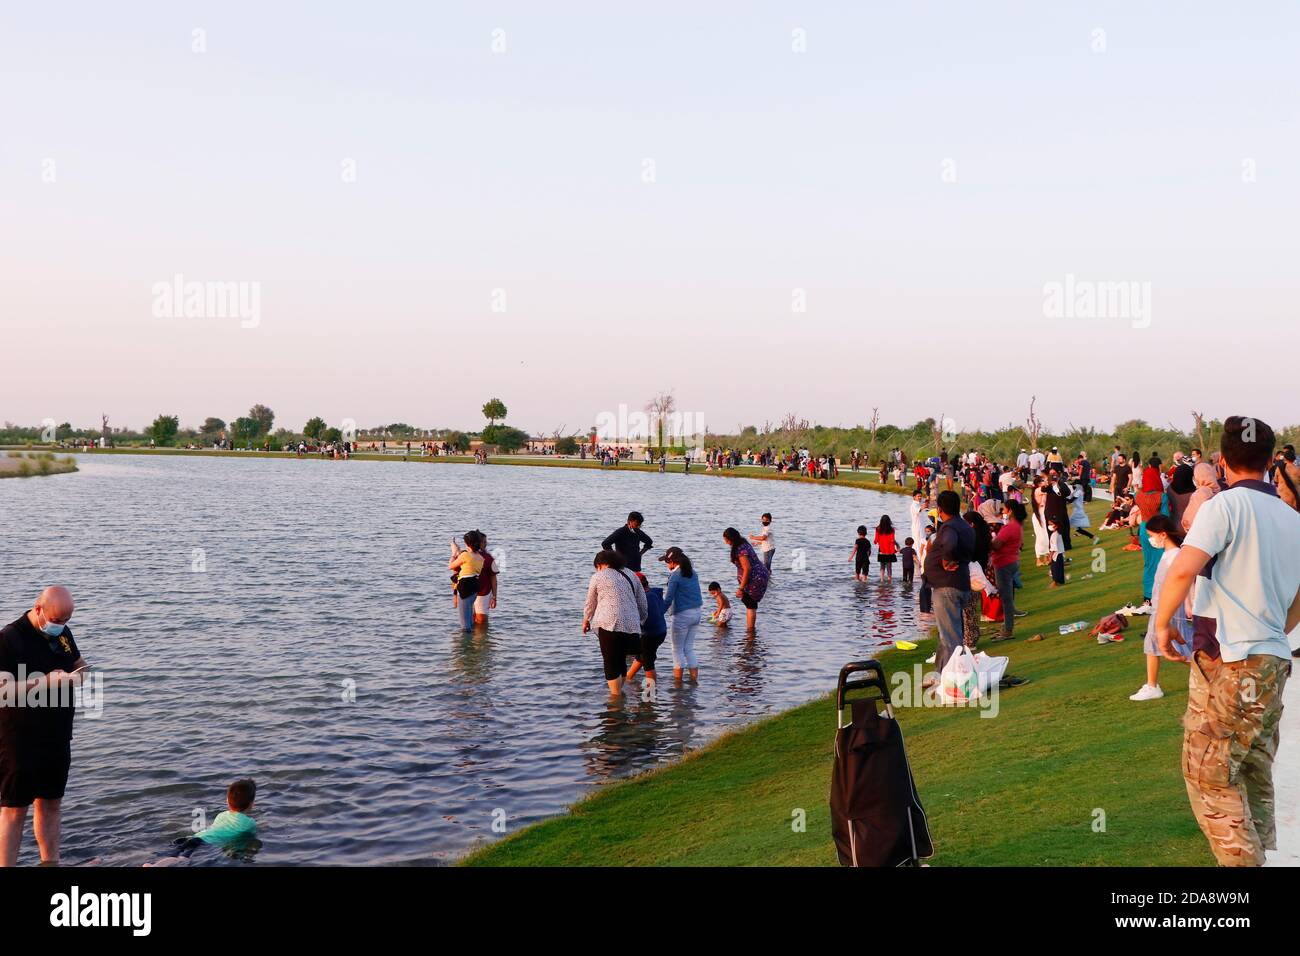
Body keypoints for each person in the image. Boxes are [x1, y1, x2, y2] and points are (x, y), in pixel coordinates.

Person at [1154, 416, 1300, 867]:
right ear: (1271, 462)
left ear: (1221, 462)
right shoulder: (1291, 518)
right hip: (1270, 658)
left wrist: (1162, 624)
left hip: (1230, 657)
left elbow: (1183, 568)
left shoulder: (1224, 506)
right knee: (1251, 766)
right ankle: (1257, 854)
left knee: (1210, 774)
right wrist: (1272, 629)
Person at [0, 587, 89, 866]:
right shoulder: (9, 638)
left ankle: (50, 863)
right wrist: (45, 683)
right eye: (56, 620)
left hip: (57, 735)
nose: (60, 626)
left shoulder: (62, 632)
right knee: (15, 809)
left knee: (51, 802)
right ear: (38, 609)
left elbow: (79, 665)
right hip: (19, 738)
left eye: (66, 621)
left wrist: (80, 676)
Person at [1129, 515, 1192, 701]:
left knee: (1181, 648)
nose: (1150, 540)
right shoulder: (1168, 554)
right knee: (1153, 646)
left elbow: (1184, 582)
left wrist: (1187, 604)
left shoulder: (1176, 556)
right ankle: (1151, 684)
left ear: (1163, 534)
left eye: (1151, 535)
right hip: (1160, 607)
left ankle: (1209, 676)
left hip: (1169, 609)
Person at [922, 490, 975, 686]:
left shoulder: (949, 527)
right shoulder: (965, 526)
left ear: (940, 509)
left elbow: (950, 544)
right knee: (946, 634)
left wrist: (946, 559)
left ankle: (958, 681)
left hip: (947, 587)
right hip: (958, 583)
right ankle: (940, 675)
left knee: (951, 638)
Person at [582, 550, 648, 695]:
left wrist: (586, 620)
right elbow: (642, 603)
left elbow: (590, 602)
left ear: (599, 565)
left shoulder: (598, 576)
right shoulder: (632, 574)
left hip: (608, 625)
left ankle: (615, 699)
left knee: (611, 662)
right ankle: (619, 693)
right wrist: (641, 621)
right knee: (621, 661)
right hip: (631, 626)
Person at [147, 779, 259, 865]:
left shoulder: (221, 815)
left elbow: (215, 828)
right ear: (251, 804)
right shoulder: (250, 823)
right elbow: (249, 837)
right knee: (182, 859)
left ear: (227, 801)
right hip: (205, 843)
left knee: (174, 853)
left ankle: (152, 865)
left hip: (195, 837)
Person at [659, 547, 703, 683]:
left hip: (682, 616)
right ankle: (694, 680)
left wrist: (659, 613)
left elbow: (668, 599)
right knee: (689, 648)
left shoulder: (675, 576)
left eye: (666, 562)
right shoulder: (692, 573)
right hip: (697, 613)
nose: (666, 565)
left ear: (672, 561)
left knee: (677, 650)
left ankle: (678, 685)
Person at [624, 574, 667, 700]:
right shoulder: (653, 594)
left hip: (651, 635)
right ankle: (628, 678)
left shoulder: (646, 598)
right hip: (660, 631)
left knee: (648, 663)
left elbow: (646, 620)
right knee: (641, 656)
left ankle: (650, 695)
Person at [988, 500, 1026, 640]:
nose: (1002, 511)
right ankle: (1006, 627)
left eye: (1004, 509)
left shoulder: (1010, 527)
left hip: (1004, 564)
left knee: (1006, 599)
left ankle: (1008, 630)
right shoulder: (1017, 526)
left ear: (1010, 511)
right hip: (1011, 561)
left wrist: (989, 539)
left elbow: (996, 545)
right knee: (1007, 597)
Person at [723, 527, 769, 633]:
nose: (725, 542)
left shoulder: (740, 549)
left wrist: (741, 588)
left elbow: (747, 568)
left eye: (726, 540)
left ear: (730, 539)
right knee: (750, 603)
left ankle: (750, 632)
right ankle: (751, 632)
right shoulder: (743, 543)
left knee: (750, 604)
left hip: (755, 578)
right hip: (759, 575)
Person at [448, 532, 485, 631]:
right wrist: (459, 551)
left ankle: (466, 644)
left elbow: (451, 566)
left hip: (465, 590)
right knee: (469, 620)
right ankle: (473, 641)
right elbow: (468, 561)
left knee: (464, 625)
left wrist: (453, 553)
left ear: (467, 544)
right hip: (474, 589)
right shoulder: (481, 558)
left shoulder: (465, 556)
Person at [473, 531, 498, 625]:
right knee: (478, 621)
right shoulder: (466, 556)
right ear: (477, 543)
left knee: (479, 621)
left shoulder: (488, 558)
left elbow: (493, 578)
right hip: (473, 593)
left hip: (481, 593)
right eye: (483, 542)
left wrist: (494, 597)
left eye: (485, 541)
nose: (486, 543)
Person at [1047, 518, 1066, 588]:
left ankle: (1055, 582)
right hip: (1060, 554)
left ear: (1056, 526)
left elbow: (1054, 548)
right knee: (1060, 569)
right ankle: (1061, 581)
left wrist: (1050, 557)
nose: (1049, 526)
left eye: (1051, 524)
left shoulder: (1054, 535)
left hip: (1056, 555)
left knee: (1055, 569)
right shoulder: (1058, 534)